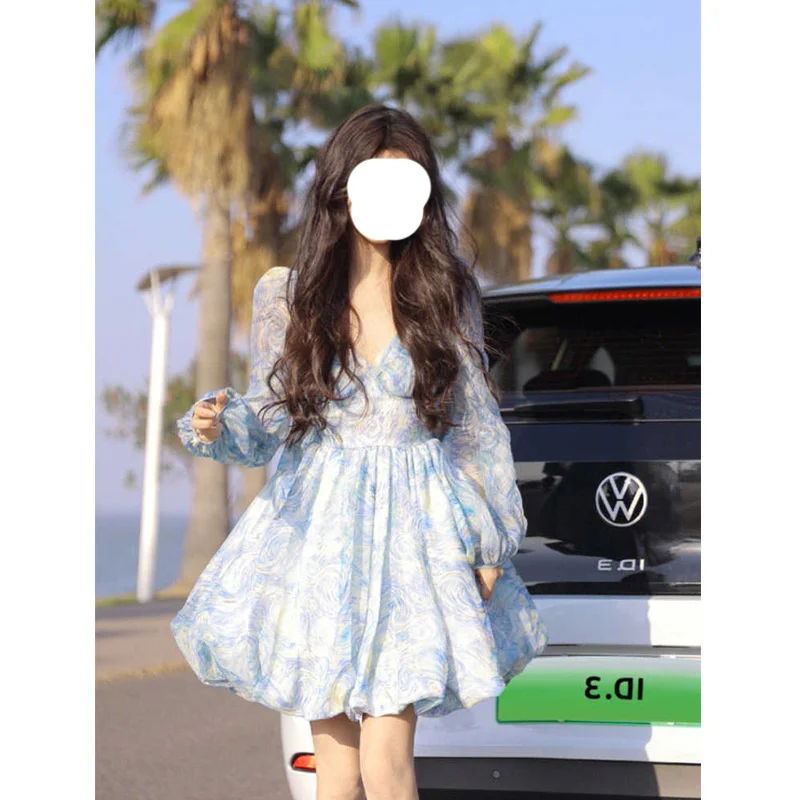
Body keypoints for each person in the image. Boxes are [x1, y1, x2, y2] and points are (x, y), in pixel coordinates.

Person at [171, 103, 548, 800]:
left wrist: (489, 540)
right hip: (319, 538)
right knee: (337, 770)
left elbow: (473, 427)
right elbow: (270, 416)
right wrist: (219, 424)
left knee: (386, 760)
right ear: (341, 190)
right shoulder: (290, 296)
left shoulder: (444, 294)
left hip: (414, 539)